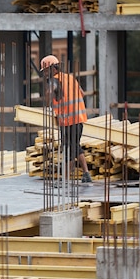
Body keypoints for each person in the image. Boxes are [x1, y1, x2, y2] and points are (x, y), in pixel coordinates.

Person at [39, 54, 92, 183]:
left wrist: (48, 104)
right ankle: (86, 174)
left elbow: (49, 92)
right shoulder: (70, 78)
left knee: (68, 148)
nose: (45, 74)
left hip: (68, 121)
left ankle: (66, 180)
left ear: (53, 68)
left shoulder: (54, 80)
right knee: (75, 146)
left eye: (46, 70)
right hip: (78, 118)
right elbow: (82, 93)